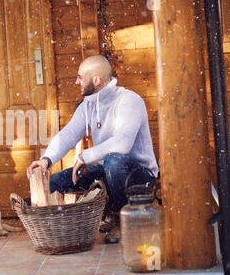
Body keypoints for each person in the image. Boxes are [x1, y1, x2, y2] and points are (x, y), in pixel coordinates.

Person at [26, 55, 159, 243]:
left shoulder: (129, 100)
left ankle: (126, 221)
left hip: (140, 176)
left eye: (80, 77)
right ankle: (111, 211)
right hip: (108, 170)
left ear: (96, 80)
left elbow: (122, 144)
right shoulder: (88, 105)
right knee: (56, 182)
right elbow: (68, 135)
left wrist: (85, 156)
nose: (76, 81)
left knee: (114, 160)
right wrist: (46, 160)